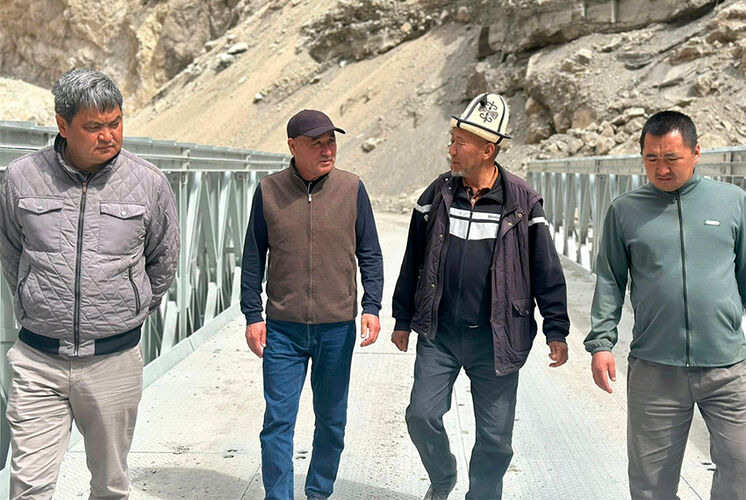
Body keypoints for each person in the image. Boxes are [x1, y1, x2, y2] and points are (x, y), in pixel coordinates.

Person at [0, 68, 180, 499]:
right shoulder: (20, 177)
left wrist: (129, 309)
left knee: (110, 486)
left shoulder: (149, 183)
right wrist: (32, 298)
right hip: (37, 359)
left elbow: (164, 260)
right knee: (28, 486)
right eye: (94, 126)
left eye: (115, 123)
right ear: (62, 125)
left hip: (113, 362)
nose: (108, 135)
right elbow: (10, 251)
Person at [391, 93, 570, 500]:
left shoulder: (523, 201)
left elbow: (546, 270)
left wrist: (556, 329)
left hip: (496, 340)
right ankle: (443, 477)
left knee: (495, 440)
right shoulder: (438, 193)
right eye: (452, 140)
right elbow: (413, 258)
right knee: (420, 416)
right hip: (439, 335)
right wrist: (403, 318)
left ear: (487, 150)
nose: (451, 149)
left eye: (460, 143)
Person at [586, 110, 746, 499]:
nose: (661, 169)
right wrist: (602, 343)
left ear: (696, 153)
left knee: (742, 465)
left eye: (672, 158)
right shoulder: (624, 210)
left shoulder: (733, 202)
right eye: (651, 158)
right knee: (650, 486)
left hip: (727, 368)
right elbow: (609, 279)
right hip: (655, 369)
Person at [241, 109, 384, 500]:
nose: (327, 150)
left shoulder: (352, 188)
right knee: (277, 423)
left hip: (337, 328)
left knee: (332, 422)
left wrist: (372, 306)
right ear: (292, 146)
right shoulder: (268, 191)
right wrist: (252, 314)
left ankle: (318, 492)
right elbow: (253, 257)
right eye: (315, 143)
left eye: (331, 141)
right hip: (283, 330)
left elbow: (370, 252)